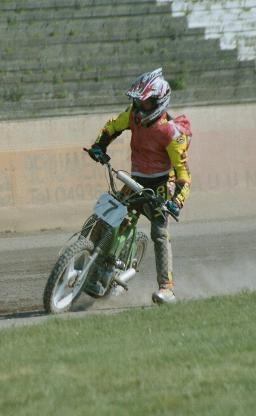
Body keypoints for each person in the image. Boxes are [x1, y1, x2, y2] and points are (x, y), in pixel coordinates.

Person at [86, 67, 191, 304]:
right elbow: (112, 126)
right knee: (108, 218)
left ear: (159, 102)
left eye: (146, 103)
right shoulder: (133, 115)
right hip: (136, 180)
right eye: (138, 102)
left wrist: (176, 202)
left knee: (160, 233)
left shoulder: (172, 133)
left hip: (161, 185)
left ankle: (166, 289)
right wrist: (99, 146)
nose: (140, 107)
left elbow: (184, 175)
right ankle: (95, 264)